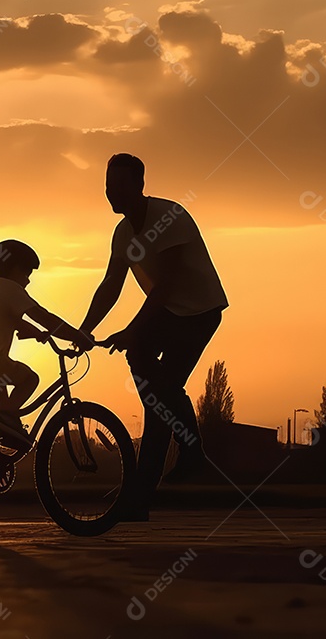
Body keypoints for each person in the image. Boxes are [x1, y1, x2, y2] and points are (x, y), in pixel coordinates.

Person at [80, 153, 228, 520]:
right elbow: (111, 284)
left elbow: (167, 286)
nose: (111, 192)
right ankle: (175, 469)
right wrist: (85, 329)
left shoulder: (169, 217)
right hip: (167, 314)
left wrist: (133, 330)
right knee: (157, 401)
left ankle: (158, 481)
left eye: (118, 185)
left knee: (160, 396)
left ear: (140, 186)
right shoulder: (122, 234)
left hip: (199, 312)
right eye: (107, 186)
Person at [0, 239, 91, 448]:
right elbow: (44, 317)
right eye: (26, 274)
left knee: (7, 409)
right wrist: (78, 337)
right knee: (29, 379)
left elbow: (11, 319)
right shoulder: (9, 289)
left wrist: (36, 334)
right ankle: (1, 424)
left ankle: (2, 433)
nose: (28, 281)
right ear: (14, 269)